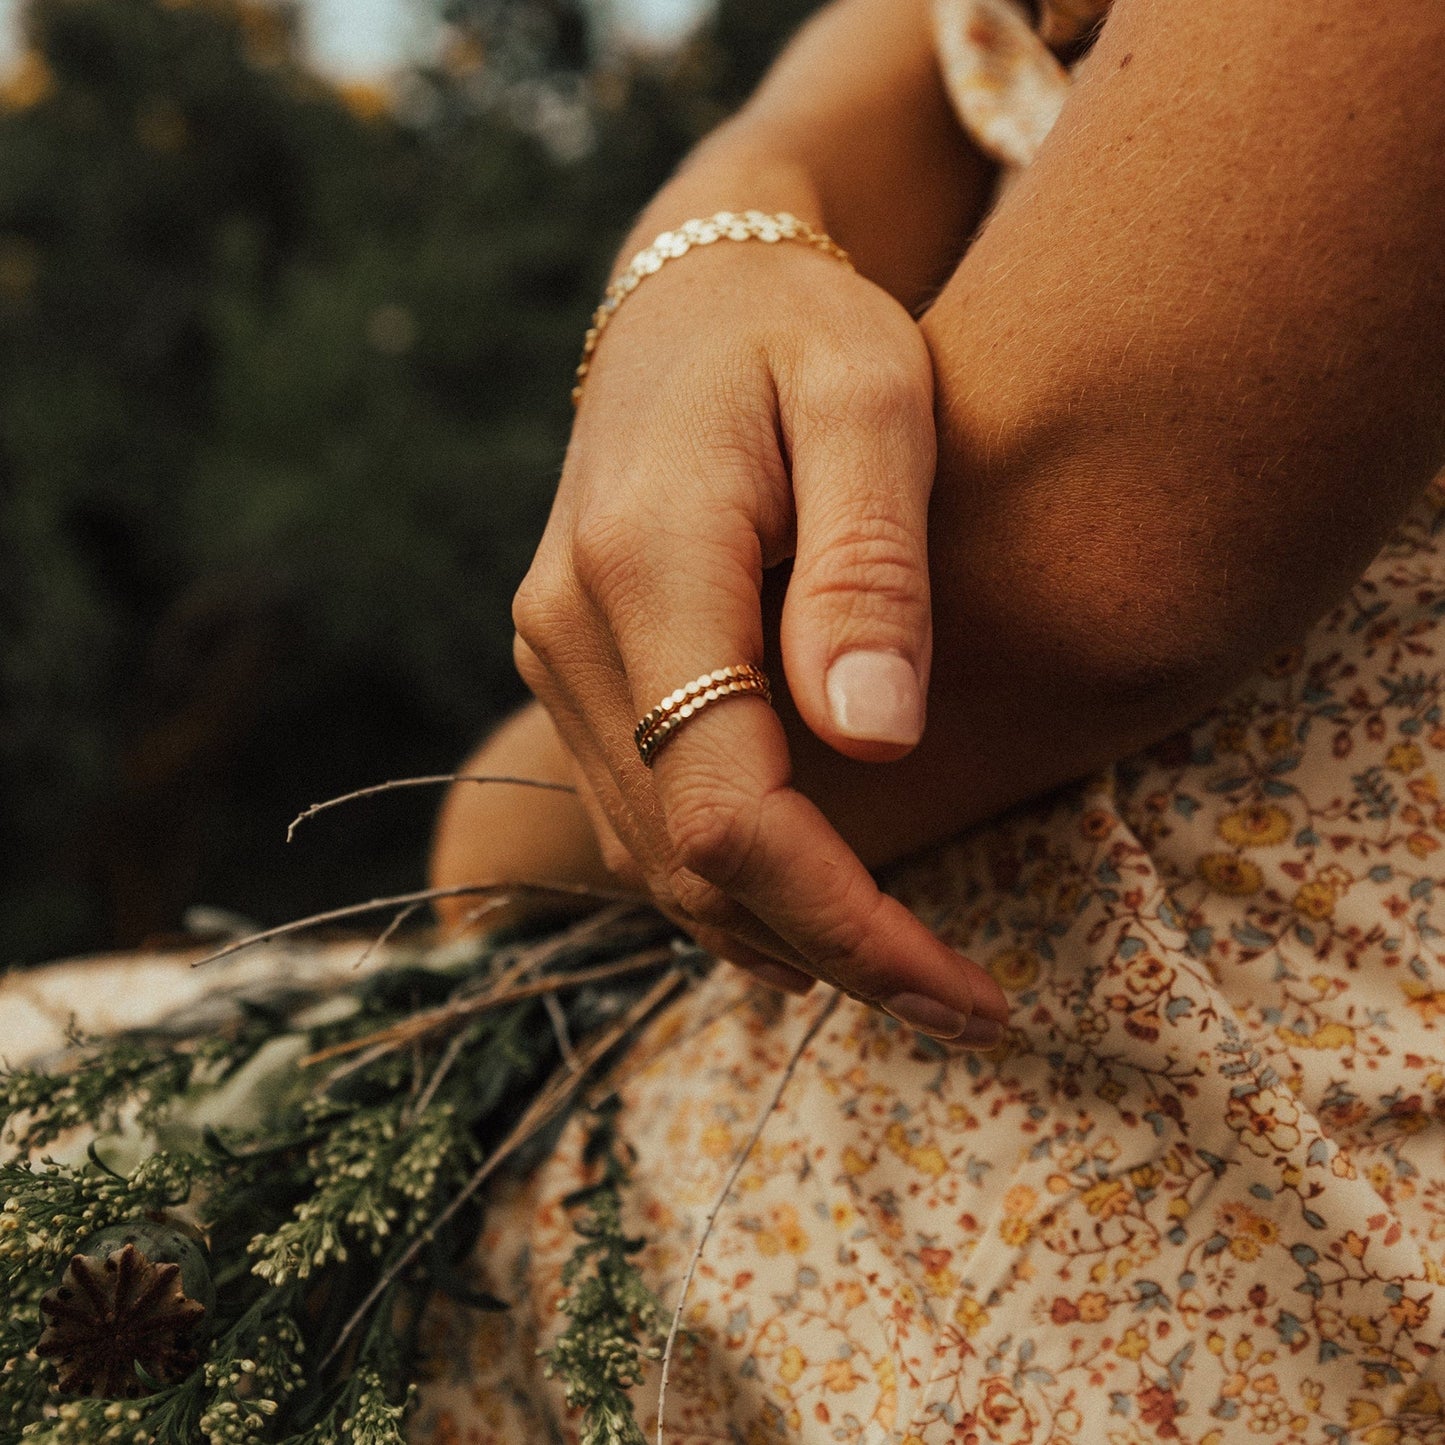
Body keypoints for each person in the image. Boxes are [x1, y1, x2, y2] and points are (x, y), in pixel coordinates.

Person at [419, 0, 1445, 1438]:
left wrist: (507, 803)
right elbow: (893, 61)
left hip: (1201, 1225)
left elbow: (1078, 566)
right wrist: (715, 239)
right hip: (789, 1180)